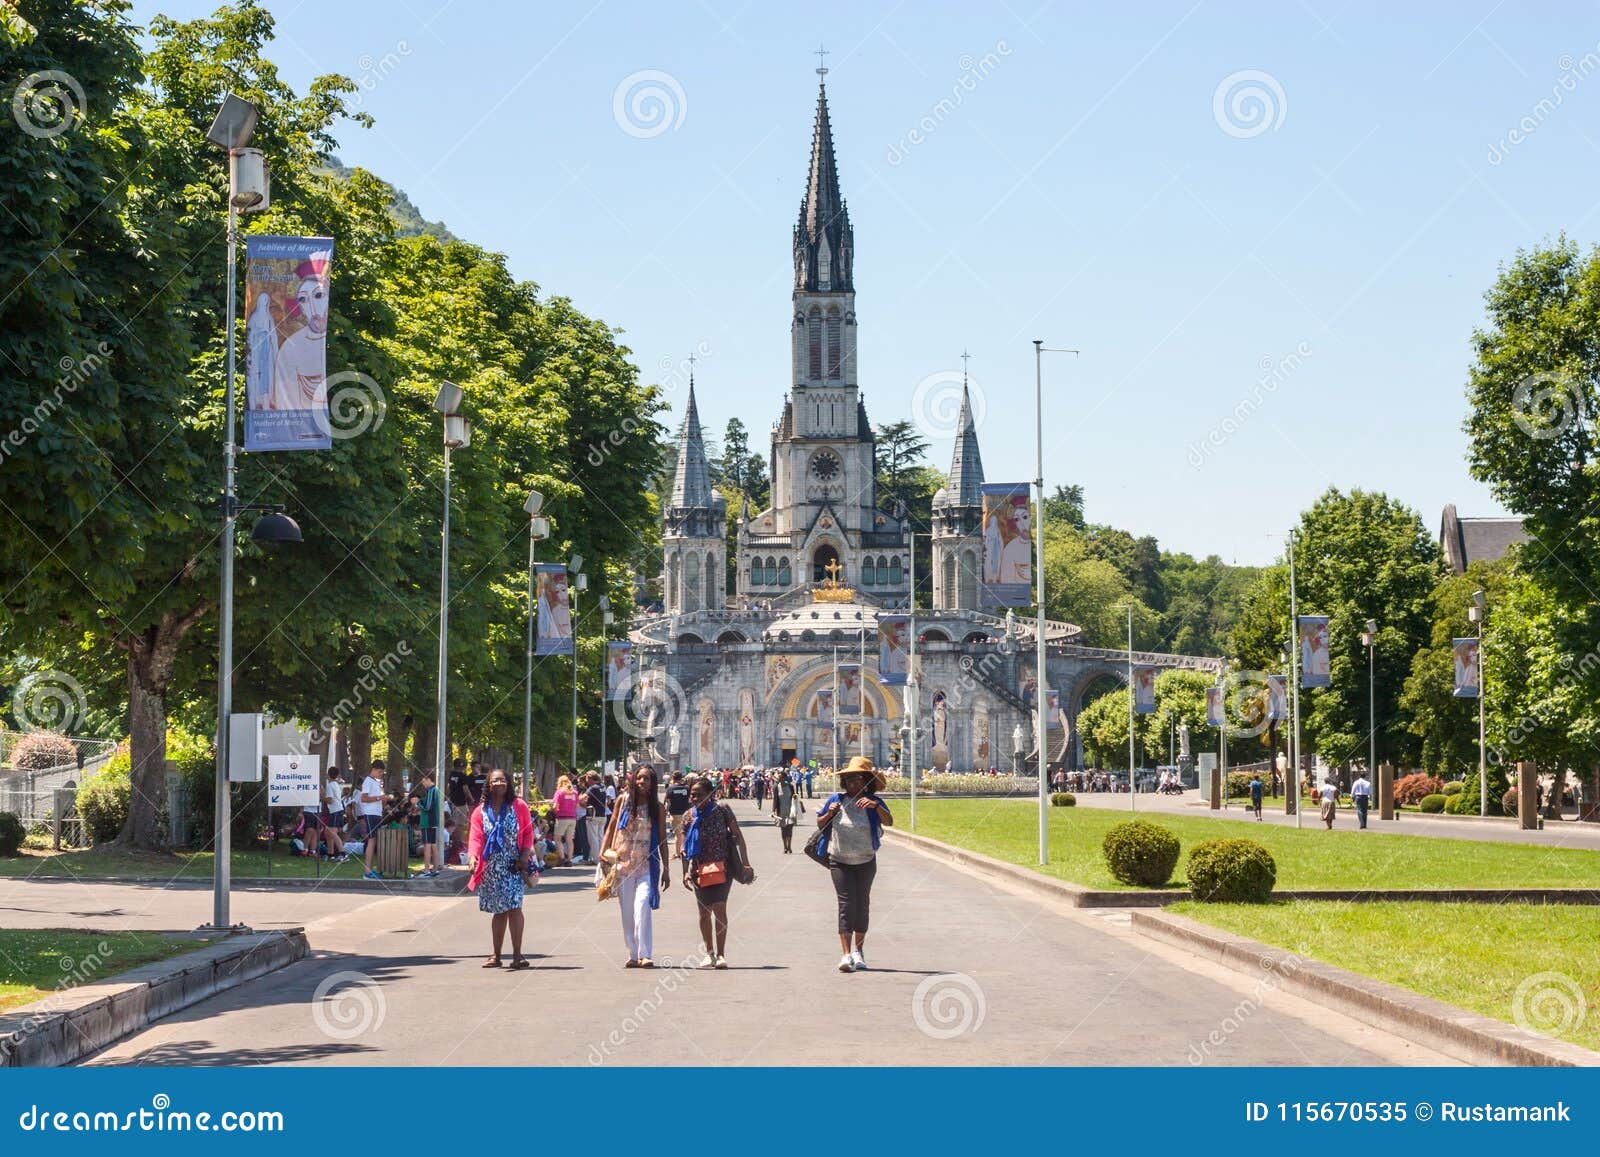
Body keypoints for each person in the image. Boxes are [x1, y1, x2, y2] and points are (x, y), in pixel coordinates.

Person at [816, 755, 893, 973]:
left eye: (858, 779)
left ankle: (859, 951)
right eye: (849, 779)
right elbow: (820, 824)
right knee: (846, 904)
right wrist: (829, 814)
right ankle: (846, 954)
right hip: (839, 861)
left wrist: (876, 806)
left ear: (866, 782)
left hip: (866, 860)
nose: (853, 783)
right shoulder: (836, 800)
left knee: (862, 904)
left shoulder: (873, 803)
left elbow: (889, 821)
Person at [601, 764, 670, 967]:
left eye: (646, 779)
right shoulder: (623, 801)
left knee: (642, 908)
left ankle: (645, 953)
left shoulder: (657, 808)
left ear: (652, 782)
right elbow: (612, 826)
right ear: (633, 780)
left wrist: (666, 868)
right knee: (627, 913)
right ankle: (632, 953)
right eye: (639, 778)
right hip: (623, 865)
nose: (642, 782)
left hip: (646, 866)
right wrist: (602, 851)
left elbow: (663, 840)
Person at [468, 768, 537, 969]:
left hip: (514, 865)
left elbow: (528, 833)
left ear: (508, 784)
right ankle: (496, 955)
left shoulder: (519, 806)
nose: (499, 784)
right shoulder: (480, 811)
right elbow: (475, 837)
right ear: (488, 784)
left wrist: (524, 855)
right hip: (491, 868)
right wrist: (472, 857)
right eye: (495, 781)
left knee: (515, 907)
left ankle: (517, 955)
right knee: (498, 911)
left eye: (503, 780)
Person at [681, 776, 753, 969]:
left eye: (699, 795)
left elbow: (738, 835)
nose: (694, 798)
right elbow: (685, 847)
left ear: (710, 794)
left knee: (720, 907)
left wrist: (746, 863)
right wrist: (685, 872)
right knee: (704, 913)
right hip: (699, 869)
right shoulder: (689, 816)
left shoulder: (722, 809)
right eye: (692, 795)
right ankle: (709, 953)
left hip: (723, 867)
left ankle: (721, 954)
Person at [360, 761, 389, 880]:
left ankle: (370, 869)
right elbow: (364, 798)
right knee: (371, 841)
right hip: (370, 813)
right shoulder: (367, 781)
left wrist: (383, 800)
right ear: (374, 769)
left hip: (376, 813)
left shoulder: (375, 782)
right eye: (380, 772)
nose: (381, 774)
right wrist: (379, 798)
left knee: (374, 840)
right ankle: (367, 871)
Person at [411, 770, 442, 877]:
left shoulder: (431, 790)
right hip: (432, 821)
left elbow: (427, 807)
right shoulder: (434, 790)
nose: (423, 784)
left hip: (428, 821)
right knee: (433, 845)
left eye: (424, 781)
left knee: (427, 845)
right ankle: (436, 869)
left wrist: (417, 803)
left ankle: (427, 870)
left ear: (429, 779)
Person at [771, 763, 802, 853]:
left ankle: (789, 846)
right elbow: (775, 800)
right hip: (781, 812)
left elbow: (794, 796)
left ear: (785, 778)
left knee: (790, 829)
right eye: (778, 778)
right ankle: (785, 846)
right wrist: (773, 810)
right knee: (783, 830)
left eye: (780, 778)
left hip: (791, 811)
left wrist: (795, 797)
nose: (779, 780)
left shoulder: (790, 786)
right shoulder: (776, 787)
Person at [551, 774, 579, 866]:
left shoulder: (559, 792)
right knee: (569, 839)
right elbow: (577, 806)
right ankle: (569, 859)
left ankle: (562, 858)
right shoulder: (574, 792)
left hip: (562, 817)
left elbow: (555, 806)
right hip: (573, 818)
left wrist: (554, 811)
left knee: (557, 838)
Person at [583, 772, 609, 865]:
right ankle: (602, 856)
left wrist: (580, 799)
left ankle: (596, 859)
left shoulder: (592, 788)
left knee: (593, 837)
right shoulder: (603, 787)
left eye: (587, 778)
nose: (586, 781)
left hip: (593, 815)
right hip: (602, 814)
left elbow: (583, 798)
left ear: (590, 778)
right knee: (600, 837)